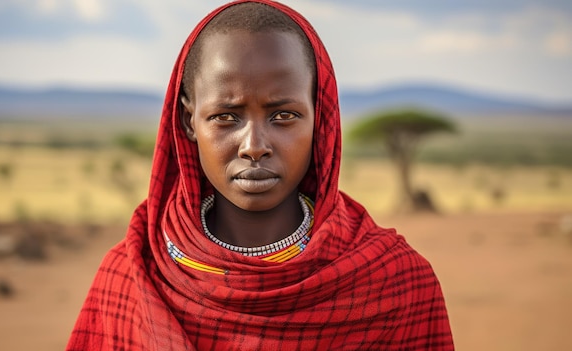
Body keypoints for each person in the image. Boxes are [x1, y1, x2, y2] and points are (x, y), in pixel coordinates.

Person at [66, 1, 454, 350]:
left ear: (321, 118)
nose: (254, 145)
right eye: (225, 117)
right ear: (188, 121)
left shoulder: (395, 283)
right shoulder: (135, 275)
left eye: (283, 116)